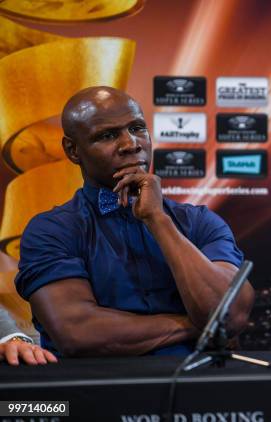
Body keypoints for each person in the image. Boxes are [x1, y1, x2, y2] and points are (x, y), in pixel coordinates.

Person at [15, 86, 254, 357]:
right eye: (107, 135)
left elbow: (230, 315)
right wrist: (201, 326)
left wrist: (158, 220)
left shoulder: (200, 222)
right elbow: (79, 332)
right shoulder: (51, 231)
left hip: (196, 389)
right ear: (73, 150)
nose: (131, 144)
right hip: (98, 393)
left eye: (137, 128)